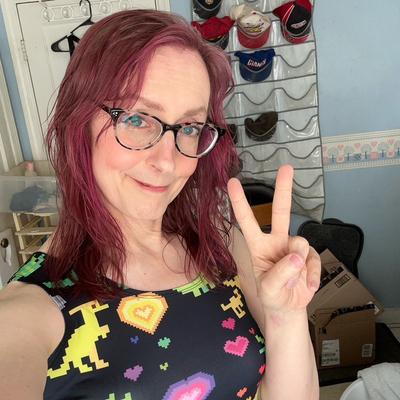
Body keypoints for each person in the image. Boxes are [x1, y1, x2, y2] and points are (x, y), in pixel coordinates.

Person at [0, 9, 321, 400]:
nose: (167, 162)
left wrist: (286, 315)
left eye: (189, 127)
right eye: (137, 120)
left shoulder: (220, 245)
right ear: (78, 123)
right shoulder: (38, 304)